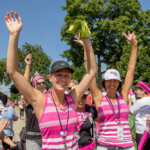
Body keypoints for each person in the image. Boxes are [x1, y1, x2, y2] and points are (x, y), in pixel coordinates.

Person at [5, 11, 97, 149]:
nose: (63, 79)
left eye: (67, 75)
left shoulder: (73, 98)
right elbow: (12, 71)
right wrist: (14, 35)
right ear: (50, 78)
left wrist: (87, 42)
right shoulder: (41, 100)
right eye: (58, 75)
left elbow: (91, 71)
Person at [75, 31, 137, 149]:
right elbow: (89, 71)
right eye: (109, 80)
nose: (112, 83)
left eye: (115, 80)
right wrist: (85, 48)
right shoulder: (99, 98)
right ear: (104, 82)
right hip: (104, 145)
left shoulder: (123, 95)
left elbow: (131, 70)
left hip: (127, 144)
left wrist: (134, 46)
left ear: (119, 83)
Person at [23, 54, 43, 150]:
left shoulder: (47, 98)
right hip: (32, 139)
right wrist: (28, 66)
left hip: (46, 136)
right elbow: (25, 85)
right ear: (34, 84)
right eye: (39, 83)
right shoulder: (29, 99)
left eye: (43, 83)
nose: (42, 85)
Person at [130, 83, 150, 149]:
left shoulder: (140, 101)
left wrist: (129, 101)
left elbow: (131, 112)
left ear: (143, 90)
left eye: (137, 90)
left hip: (141, 131)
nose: (135, 92)